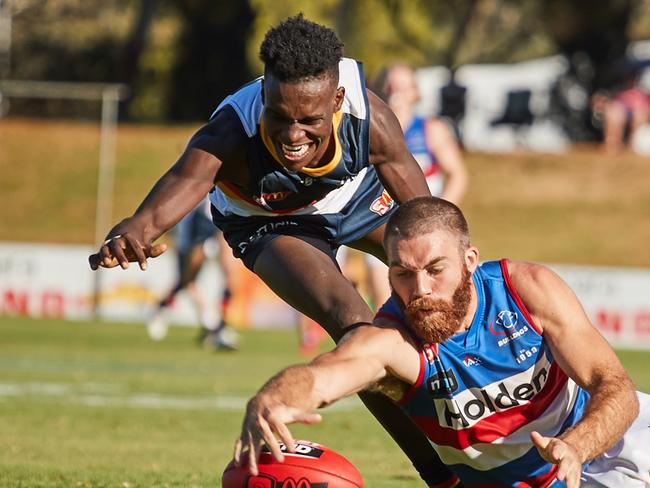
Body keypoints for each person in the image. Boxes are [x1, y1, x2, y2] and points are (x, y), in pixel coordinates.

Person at [88, 14, 457, 487]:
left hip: (356, 200)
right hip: (269, 223)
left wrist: (452, 267)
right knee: (359, 329)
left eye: (310, 120)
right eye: (280, 117)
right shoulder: (231, 130)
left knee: (447, 293)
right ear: (263, 95)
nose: (293, 135)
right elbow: (182, 182)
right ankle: (443, 478)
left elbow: (429, 222)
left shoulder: (372, 118)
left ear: (338, 100)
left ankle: (502, 438)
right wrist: (135, 229)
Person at [236, 197, 650, 488]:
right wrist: (274, 396)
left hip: (609, 437)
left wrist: (576, 446)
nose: (421, 290)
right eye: (402, 273)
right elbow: (322, 377)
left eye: (436, 269)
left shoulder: (527, 289)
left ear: (470, 261)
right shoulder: (392, 340)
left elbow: (616, 389)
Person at [146, 196, 239, 350]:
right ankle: (213, 326)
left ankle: (218, 326)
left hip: (220, 225)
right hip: (196, 230)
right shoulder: (200, 192)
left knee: (229, 279)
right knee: (187, 281)